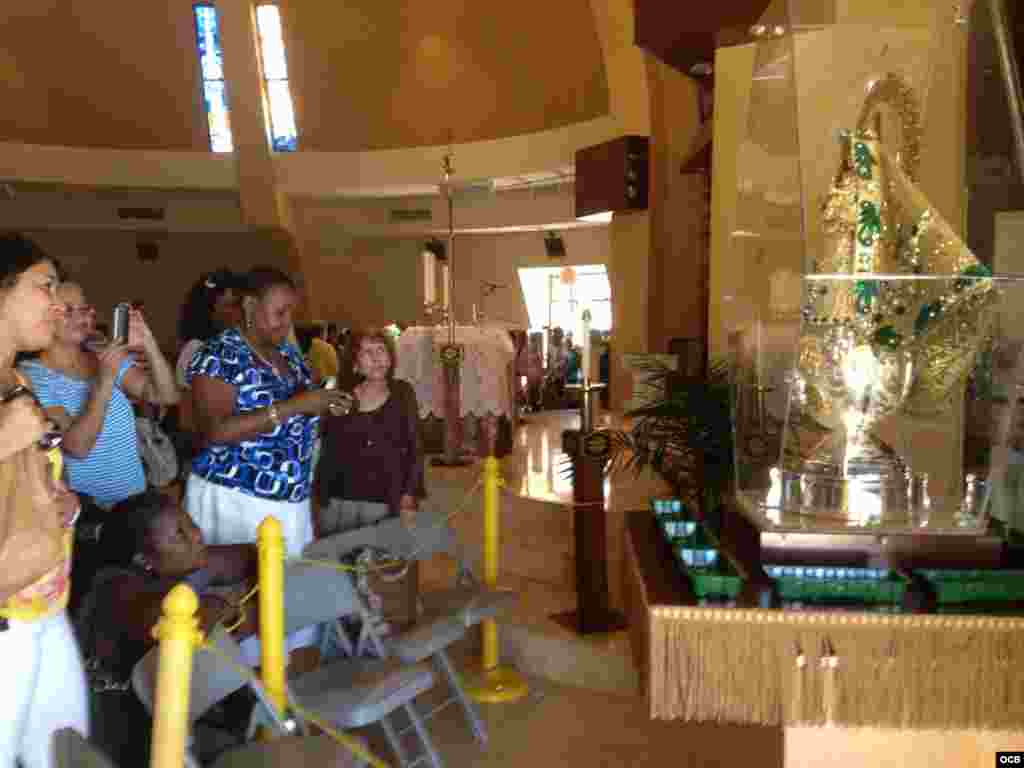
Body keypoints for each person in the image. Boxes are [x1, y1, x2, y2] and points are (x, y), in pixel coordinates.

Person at [186, 266, 349, 651]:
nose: (287, 322)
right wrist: (296, 406)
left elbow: (298, 411)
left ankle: (287, 674)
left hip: (288, 501)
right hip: (234, 499)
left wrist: (323, 404)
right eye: (279, 312)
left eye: (291, 312)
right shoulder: (220, 354)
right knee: (250, 609)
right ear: (249, 306)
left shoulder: (287, 354)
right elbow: (215, 431)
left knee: (291, 608)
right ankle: (246, 681)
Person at [76, 490, 256, 765]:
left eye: (190, 524)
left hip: (159, 723)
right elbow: (171, 621)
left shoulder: (166, 566)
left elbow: (244, 557)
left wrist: (260, 561)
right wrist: (219, 606)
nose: (196, 536)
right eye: (180, 535)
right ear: (143, 560)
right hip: (118, 741)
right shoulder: (115, 589)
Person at [0, 233, 88, 768]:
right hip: (5, 613)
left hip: (44, 604)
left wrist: (61, 501)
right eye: (45, 287)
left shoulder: (14, 377)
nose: (56, 305)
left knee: (62, 754)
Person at [21, 282, 180, 509]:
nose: (81, 316)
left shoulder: (102, 355)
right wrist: (104, 381)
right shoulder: (33, 376)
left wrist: (148, 341)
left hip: (135, 500)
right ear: (44, 317)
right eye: (68, 310)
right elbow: (77, 447)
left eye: (84, 308)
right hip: (90, 510)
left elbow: (165, 395)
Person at [318, 329, 425, 535]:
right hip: (341, 498)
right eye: (367, 352)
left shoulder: (403, 393)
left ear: (391, 357)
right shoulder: (340, 397)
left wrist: (409, 495)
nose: (376, 358)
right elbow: (328, 452)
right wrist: (322, 499)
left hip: (386, 498)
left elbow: (415, 447)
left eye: (381, 350)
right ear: (355, 363)